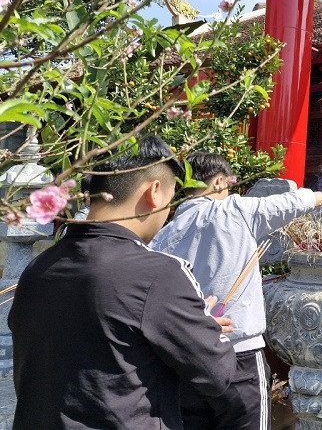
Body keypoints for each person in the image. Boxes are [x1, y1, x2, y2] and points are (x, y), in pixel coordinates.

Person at [9, 135, 236, 429]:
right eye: (171, 200)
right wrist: (201, 327)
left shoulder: (39, 267)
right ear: (154, 192)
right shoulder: (159, 274)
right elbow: (217, 374)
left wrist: (184, 324)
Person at [151, 151, 322, 430]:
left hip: (187, 357)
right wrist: (320, 196)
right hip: (238, 354)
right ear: (219, 181)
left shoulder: (166, 233)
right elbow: (299, 200)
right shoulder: (235, 210)